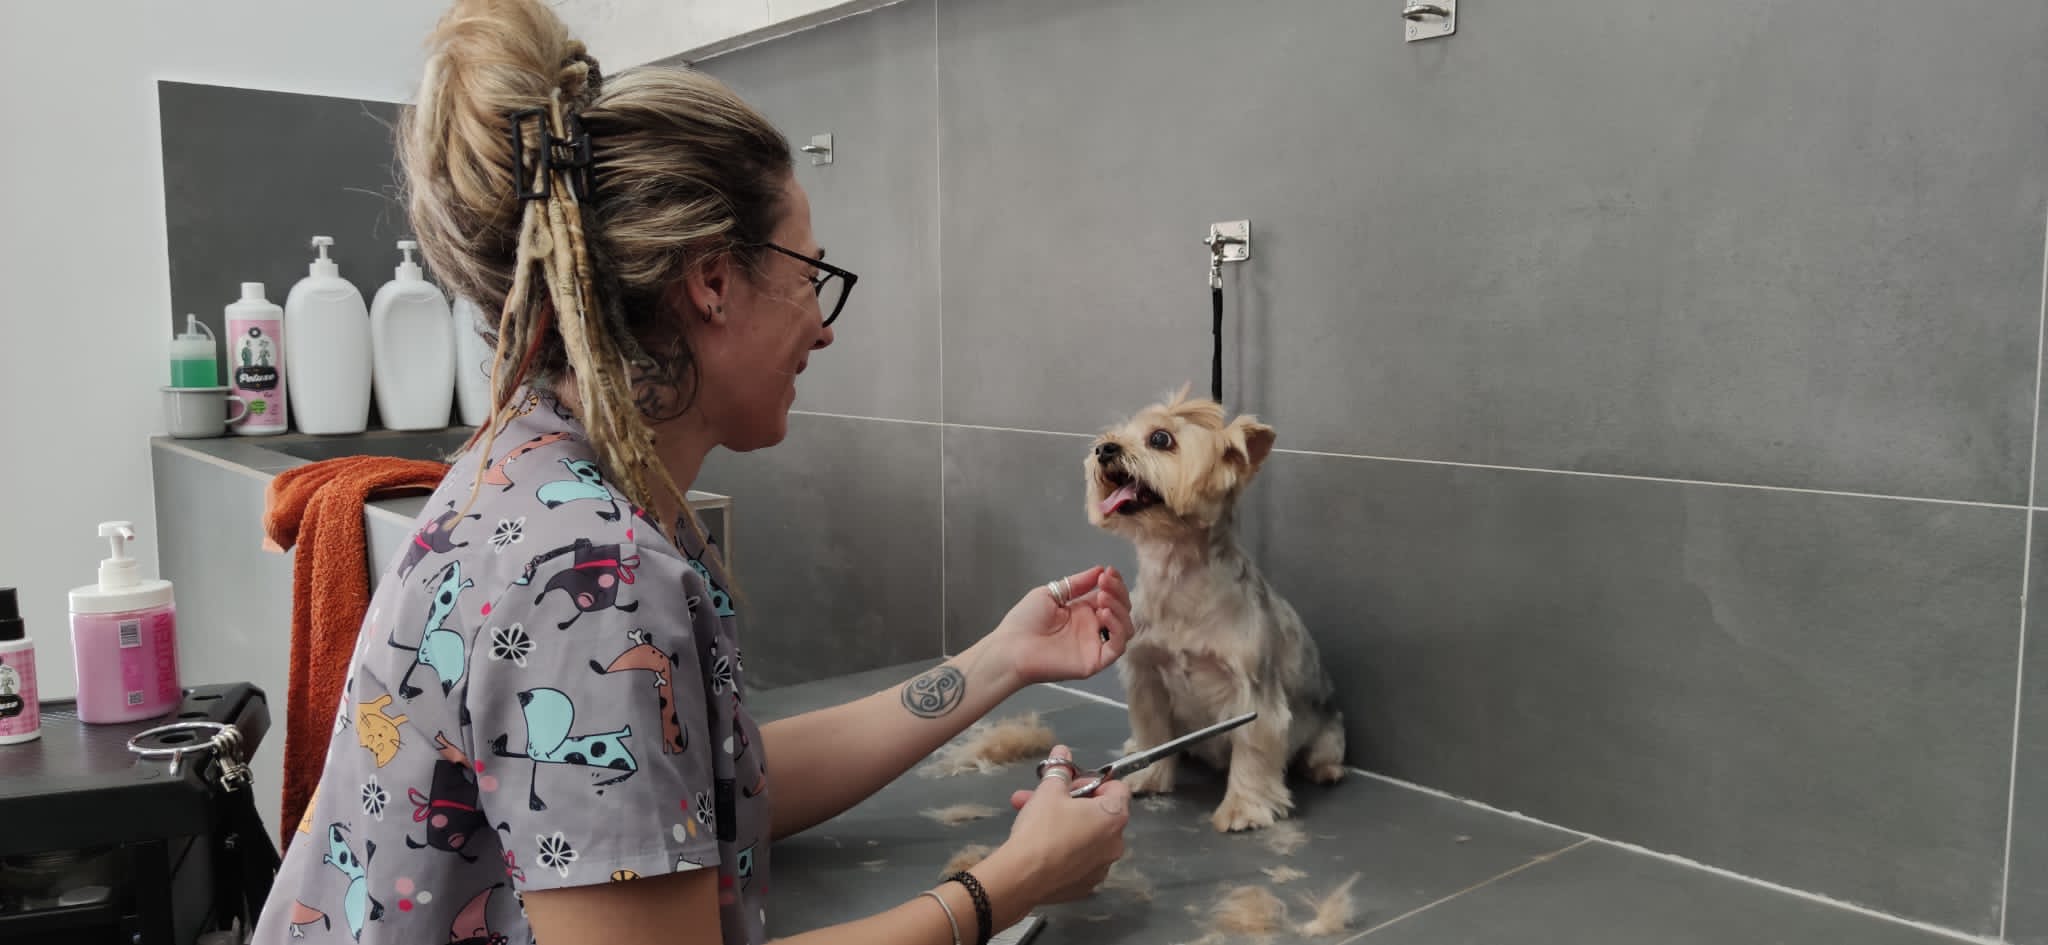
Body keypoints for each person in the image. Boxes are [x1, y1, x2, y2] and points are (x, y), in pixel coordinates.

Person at [245, 1, 1135, 943]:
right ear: (712, 281)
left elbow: (710, 786)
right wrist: (1011, 882)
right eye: (808, 275)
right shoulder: (591, 575)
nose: (823, 324)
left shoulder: (552, 470)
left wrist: (1002, 659)